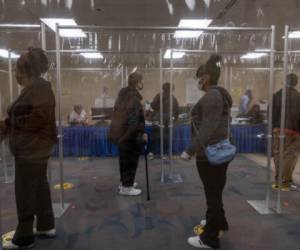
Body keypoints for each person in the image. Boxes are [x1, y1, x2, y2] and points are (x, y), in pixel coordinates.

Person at [0, 48, 57, 249]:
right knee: (40, 187)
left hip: (31, 151)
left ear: (25, 70)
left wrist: (10, 126)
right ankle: (45, 225)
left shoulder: (38, 90)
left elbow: (32, 123)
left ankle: (24, 237)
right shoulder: (37, 89)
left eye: (18, 68)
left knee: (25, 191)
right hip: (36, 149)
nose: (16, 73)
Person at [180, 54, 232, 249]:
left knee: (212, 193)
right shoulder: (218, 95)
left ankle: (209, 238)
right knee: (215, 191)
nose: (198, 82)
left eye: (199, 77)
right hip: (217, 150)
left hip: (210, 153)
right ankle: (219, 222)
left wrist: (189, 150)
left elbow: (208, 127)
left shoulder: (212, 96)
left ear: (207, 77)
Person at [109, 72, 147, 196]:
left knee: (124, 161)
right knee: (130, 161)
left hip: (121, 135)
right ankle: (127, 187)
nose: (142, 83)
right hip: (130, 136)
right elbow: (134, 121)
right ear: (137, 82)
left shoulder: (122, 96)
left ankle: (124, 182)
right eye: (141, 80)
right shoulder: (134, 98)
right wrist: (140, 133)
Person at [272, 73, 300, 191]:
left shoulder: (277, 95)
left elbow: (272, 114)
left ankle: (279, 180)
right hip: (295, 131)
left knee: (279, 154)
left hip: (279, 129)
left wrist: (273, 128)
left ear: (285, 81)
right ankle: (286, 182)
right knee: (290, 156)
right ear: (296, 83)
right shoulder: (299, 96)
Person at [149, 82, 179, 159]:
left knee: (155, 137)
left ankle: (152, 153)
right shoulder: (173, 98)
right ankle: (164, 154)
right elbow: (177, 111)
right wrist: (174, 120)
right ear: (172, 89)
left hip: (158, 118)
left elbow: (152, 105)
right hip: (168, 120)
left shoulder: (159, 96)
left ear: (163, 88)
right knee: (166, 138)